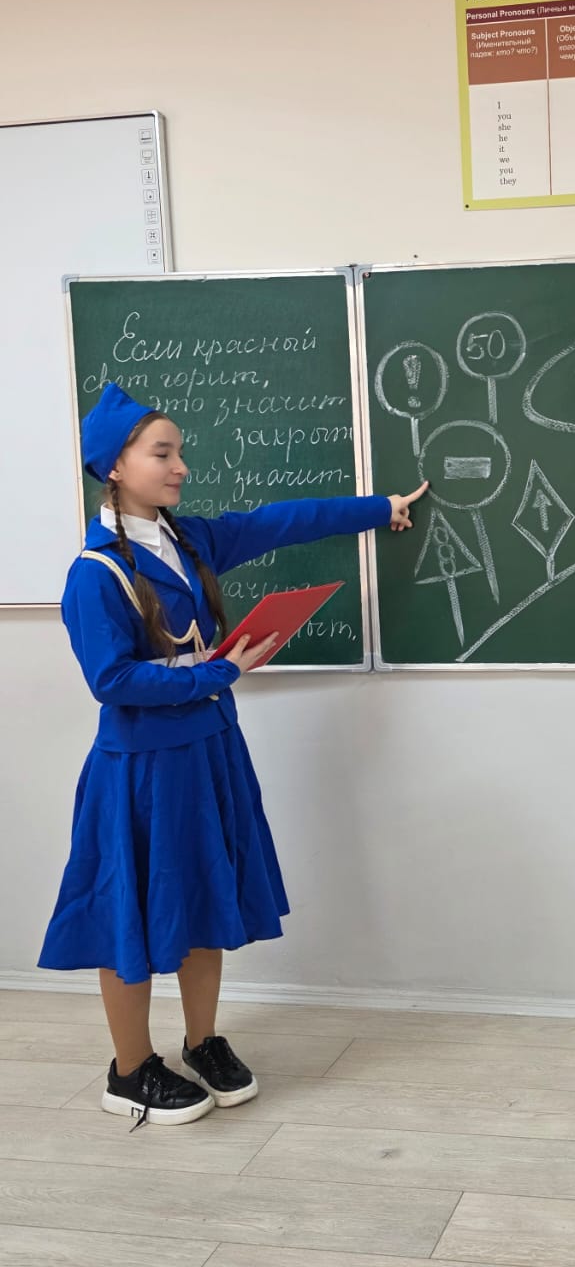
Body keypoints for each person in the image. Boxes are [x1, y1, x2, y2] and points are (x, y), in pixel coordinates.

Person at [39, 383, 428, 1128]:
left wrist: (378, 508)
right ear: (114, 466)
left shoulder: (190, 541)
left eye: (180, 453)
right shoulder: (94, 573)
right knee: (130, 913)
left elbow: (280, 522)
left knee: (203, 896)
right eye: (163, 453)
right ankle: (129, 1070)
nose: (181, 467)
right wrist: (218, 673)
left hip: (210, 752)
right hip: (141, 772)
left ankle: (202, 1041)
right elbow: (111, 682)